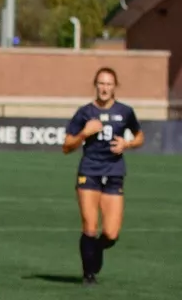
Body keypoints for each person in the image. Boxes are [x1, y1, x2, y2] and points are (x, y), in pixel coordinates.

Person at [61, 67, 144, 285]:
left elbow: (139, 136)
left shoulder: (125, 112)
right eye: (101, 83)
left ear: (115, 87)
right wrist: (84, 133)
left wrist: (128, 144)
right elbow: (67, 146)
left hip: (114, 172)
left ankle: (96, 249)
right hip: (89, 172)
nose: (104, 88)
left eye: (108, 84)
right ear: (95, 85)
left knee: (111, 233)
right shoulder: (85, 113)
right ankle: (89, 273)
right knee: (90, 226)